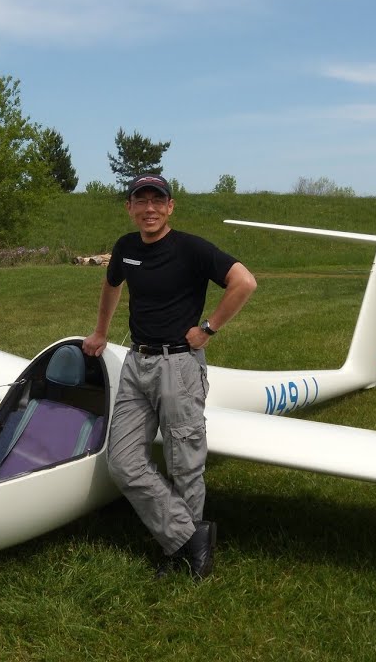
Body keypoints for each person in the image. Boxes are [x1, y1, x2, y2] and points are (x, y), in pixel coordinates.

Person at [82, 174, 257, 580]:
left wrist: (208, 329)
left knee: (184, 462)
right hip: (136, 363)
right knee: (123, 462)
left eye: (156, 201)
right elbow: (111, 287)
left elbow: (243, 282)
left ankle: (179, 551)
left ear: (170, 206)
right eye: (140, 201)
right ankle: (187, 538)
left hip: (178, 366)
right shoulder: (125, 248)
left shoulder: (191, 249)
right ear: (129, 208)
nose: (149, 209)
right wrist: (101, 332)